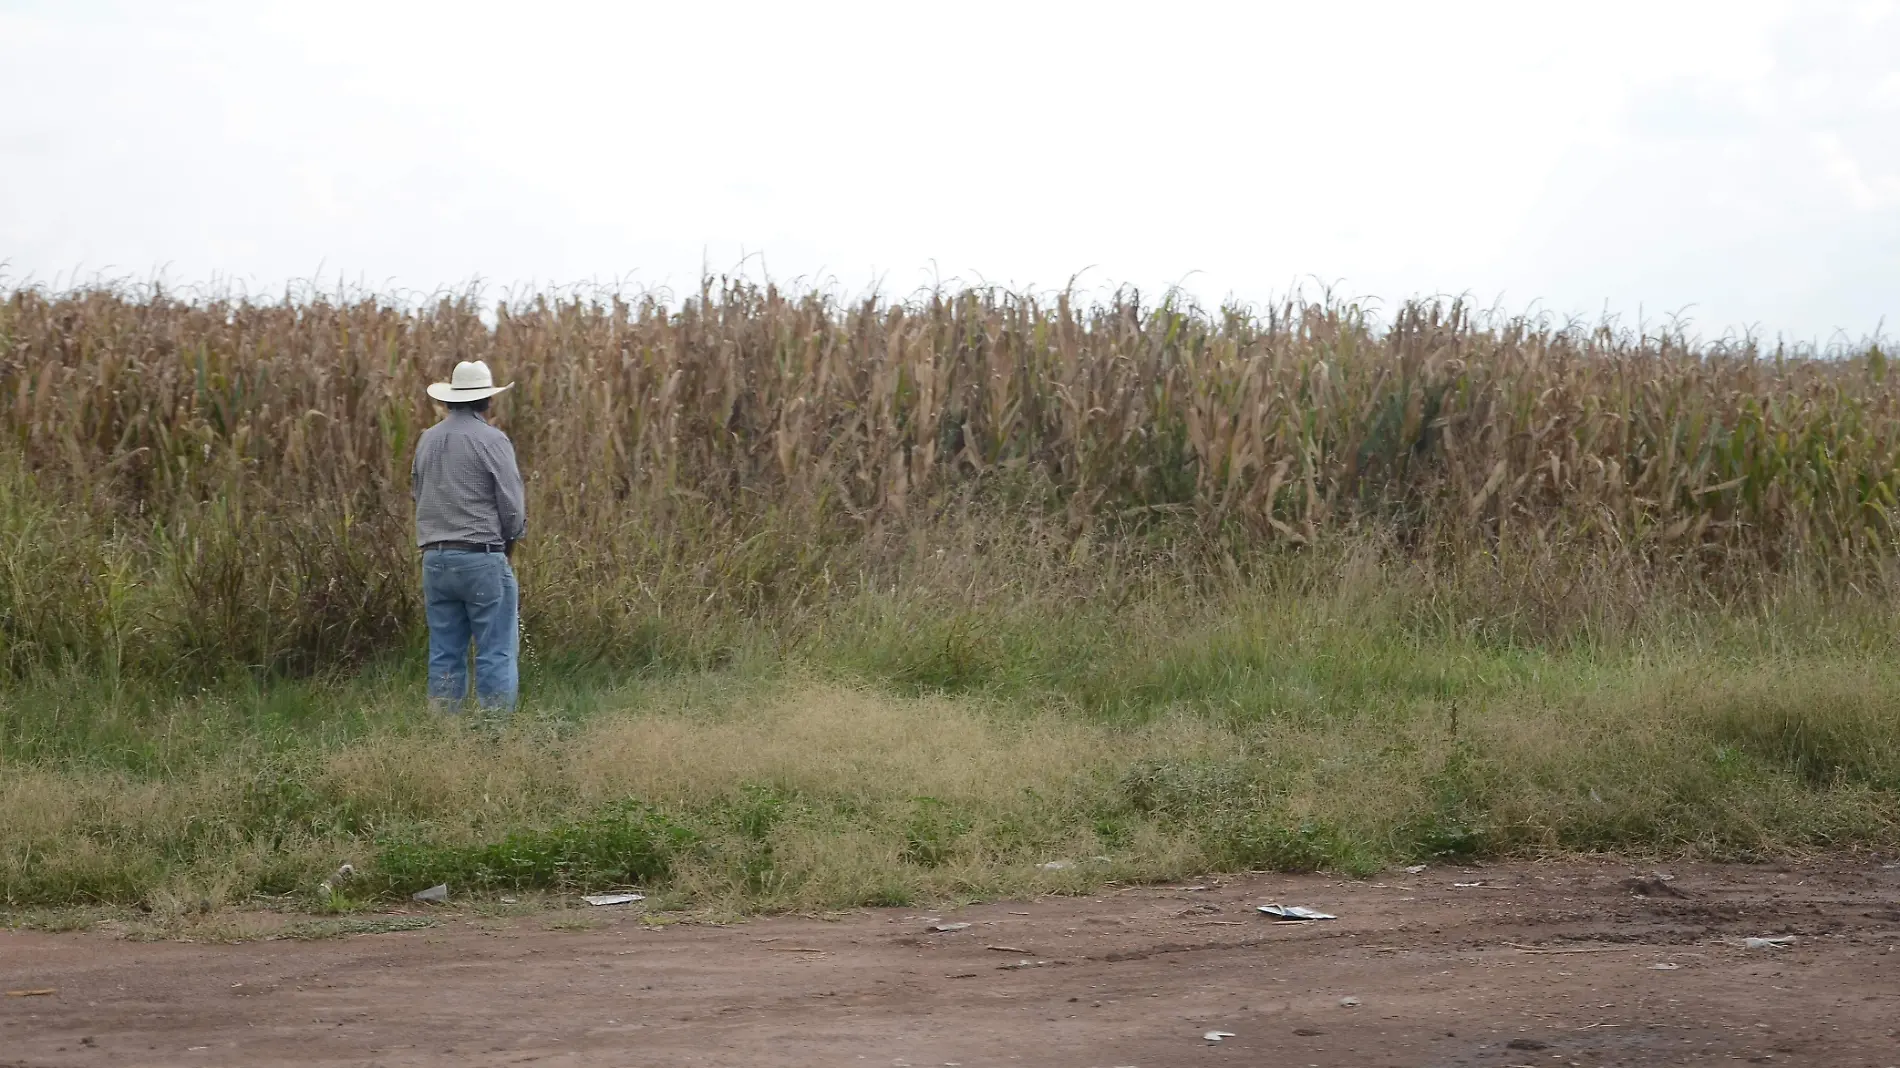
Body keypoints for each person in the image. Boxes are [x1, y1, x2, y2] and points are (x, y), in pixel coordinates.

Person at [411, 359, 526, 714]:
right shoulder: (492, 440)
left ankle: (446, 734)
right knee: (495, 650)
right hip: (481, 555)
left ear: (449, 400)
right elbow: (511, 506)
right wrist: (510, 543)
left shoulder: (427, 440)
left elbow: (418, 492)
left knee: (445, 651)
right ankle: (493, 736)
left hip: (435, 558)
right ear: (487, 401)